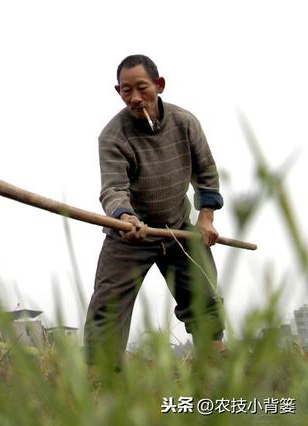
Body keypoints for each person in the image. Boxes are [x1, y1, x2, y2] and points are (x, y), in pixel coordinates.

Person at [83, 54, 225, 369]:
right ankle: (100, 379)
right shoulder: (113, 136)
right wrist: (124, 218)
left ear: (159, 85)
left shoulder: (184, 123)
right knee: (107, 305)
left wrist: (206, 218)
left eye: (142, 88)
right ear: (117, 91)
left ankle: (212, 365)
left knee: (202, 293)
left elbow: (206, 174)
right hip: (130, 235)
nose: (134, 98)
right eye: (125, 90)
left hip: (177, 228)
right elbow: (113, 188)